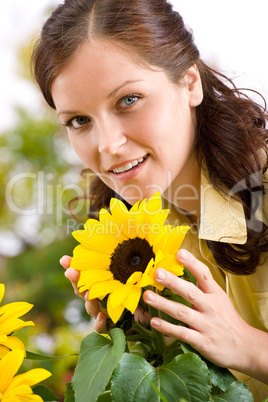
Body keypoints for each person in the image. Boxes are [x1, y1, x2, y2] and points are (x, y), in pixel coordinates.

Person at [31, 0, 268, 398]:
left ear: (189, 83)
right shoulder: (131, 231)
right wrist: (136, 338)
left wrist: (249, 347)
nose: (108, 146)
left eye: (128, 100)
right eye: (79, 121)